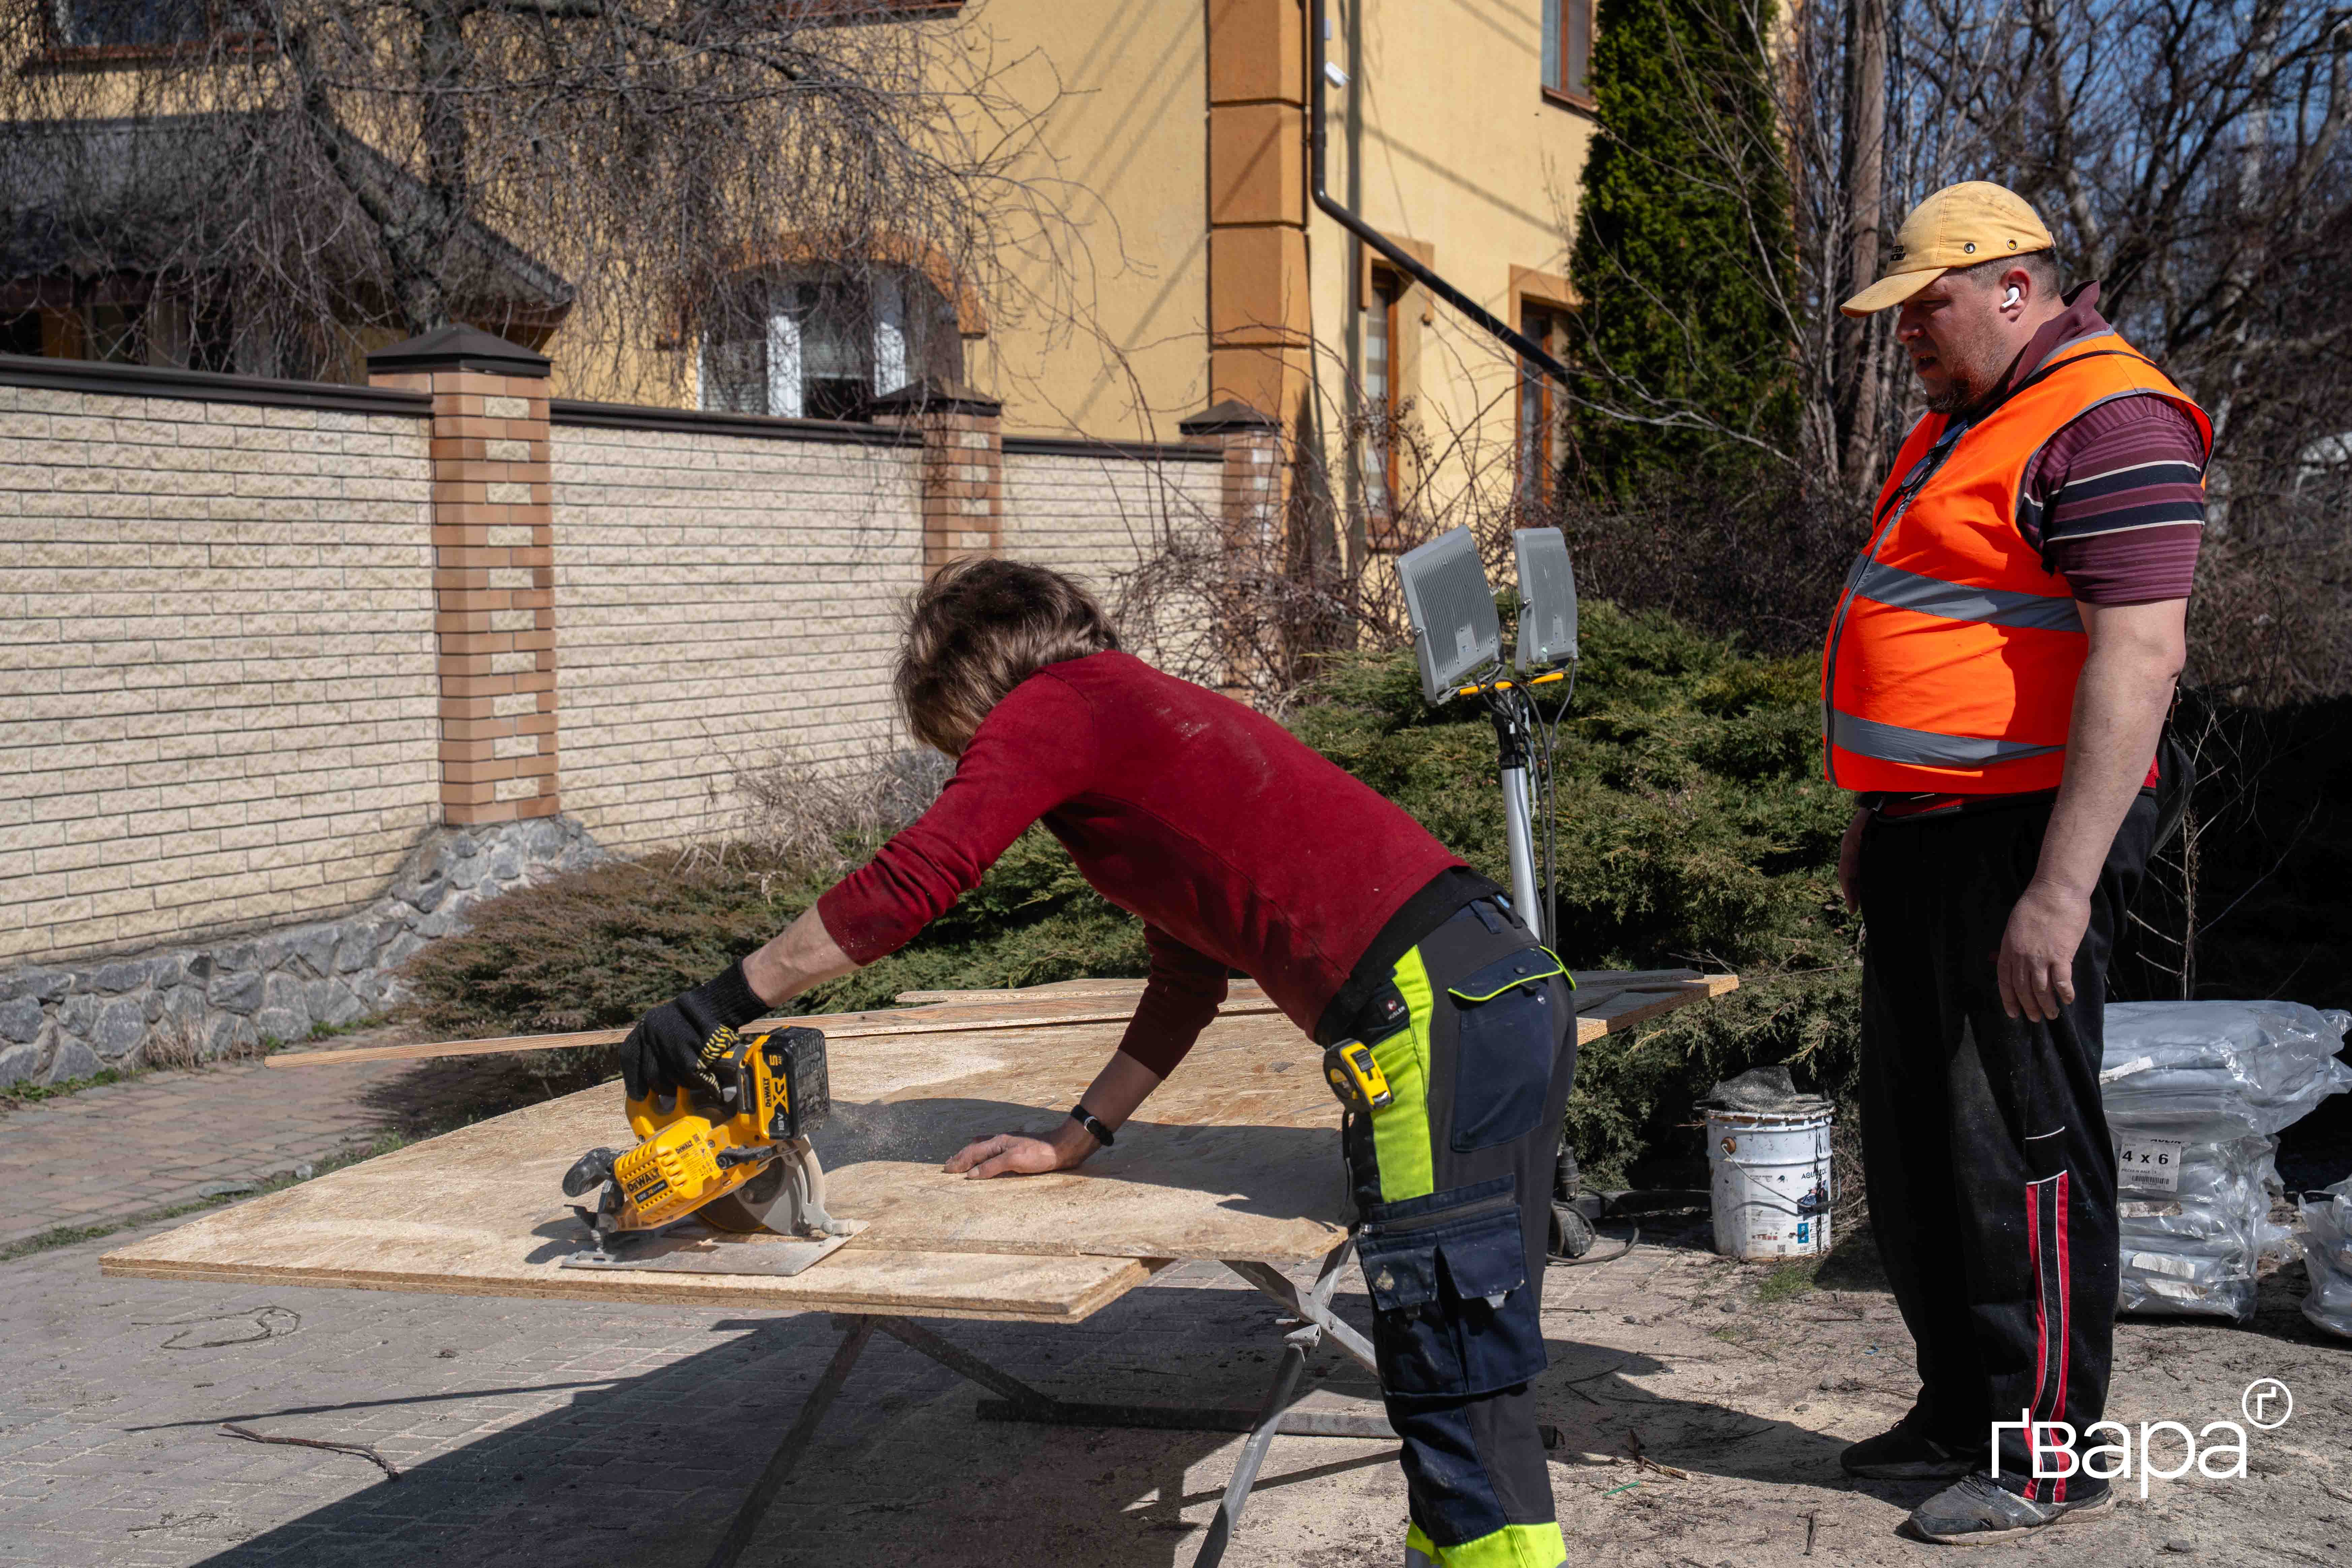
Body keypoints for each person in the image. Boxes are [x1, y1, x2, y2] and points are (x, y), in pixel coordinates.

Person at [617, 558, 1577, 1568]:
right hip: (1496, 985)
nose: (970, 761)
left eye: (956, 738)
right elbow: (1185, 981)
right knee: (1471, 1370)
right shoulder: (1140, 718)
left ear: (970, 677)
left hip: (1429, 1010)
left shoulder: (1057, 703)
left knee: (1453, 1378)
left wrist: (723, 1002)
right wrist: (1080, 1136)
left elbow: (918, 877)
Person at [1824, 182, 2209, 1544]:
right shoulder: (1963, 424)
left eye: (1929, 303)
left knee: (2022, 1148)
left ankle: (2047, 1451)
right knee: (1923, 1143)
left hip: (2029, 844)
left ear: (2012, 286)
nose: (1909, 332)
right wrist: (1883, 805)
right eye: (1903, 308)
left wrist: (2060, 887)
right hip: (1933, 840)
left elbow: (2141, 658)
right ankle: (1958, 1412)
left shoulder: (2112, 419)